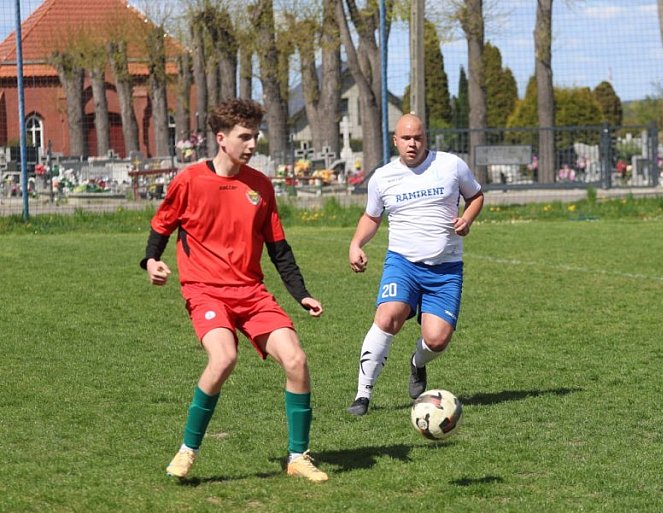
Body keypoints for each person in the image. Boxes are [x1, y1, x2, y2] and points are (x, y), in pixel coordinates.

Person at [140, 98, 328, 482]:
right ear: (221, 138)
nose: (252, 144)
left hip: (251, 293)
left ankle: (298, 457)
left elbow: (278, 248)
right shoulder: (190, 180)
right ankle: (187, 450)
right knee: (224, 357)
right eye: (245, 136)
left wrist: (301, 293)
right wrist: (151, 261)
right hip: (205, 291)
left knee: (296, 360)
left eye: (255, 136)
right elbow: (162, 225)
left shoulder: (260, 186)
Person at [346, 113, 485, 416]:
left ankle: (417, 362)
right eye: (406, 138)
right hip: (403, 264)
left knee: (437, 339)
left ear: (426, 139)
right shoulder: (382, 177)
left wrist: (467, 219)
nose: (412, 144)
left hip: (446, 269)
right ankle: (362, 395)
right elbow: (372, 217)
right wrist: (356, 244)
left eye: (418, 138)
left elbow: (476, 196)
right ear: (395, 140)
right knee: (387, 317)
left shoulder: (451, 165)